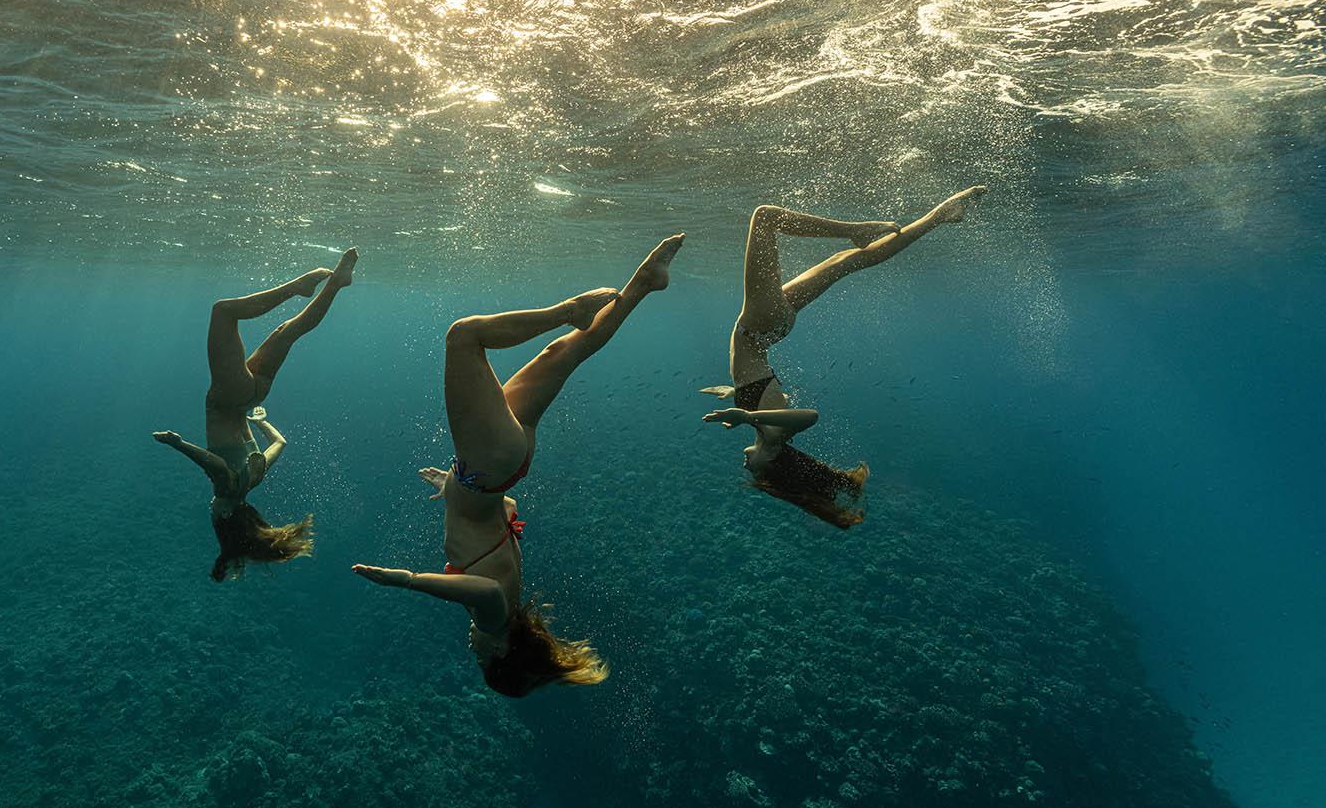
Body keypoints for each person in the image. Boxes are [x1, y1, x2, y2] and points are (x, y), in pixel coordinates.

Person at [352, 234, 686, 696]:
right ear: (503, 655)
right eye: (482, 659)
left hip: (505, 467)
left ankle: (644, 283)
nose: (473, 650)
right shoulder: (495, 617)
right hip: (487, 464)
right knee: (464, 337)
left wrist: (451, 486)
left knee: (564, 354)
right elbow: (481, 592)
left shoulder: (513, 600)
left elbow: (505, 511)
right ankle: (568, 310)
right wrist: (405, 581)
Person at [702, 186, 985, 527]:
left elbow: (771, 391)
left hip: (768, 330)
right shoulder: (773, 434)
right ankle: (854, 229)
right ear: (774, 468)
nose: (746, 466)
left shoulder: (765, 430)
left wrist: (737, 396)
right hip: (760, 325)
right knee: (765, 218)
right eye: (758, 474)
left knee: (849, 261)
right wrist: (747, 416)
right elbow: (810, 416)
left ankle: (941, 215)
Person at [153, 249, 357, 580]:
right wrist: (176, 444)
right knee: (223, 312)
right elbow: (215, 464)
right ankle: (296, 287)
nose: (211, 509)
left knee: (288, 331)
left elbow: (280, 441)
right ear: (223, 516)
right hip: (228, 396)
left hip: (254, 395)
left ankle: (336, 283)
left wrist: (260, 421)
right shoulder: (225, 488)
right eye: (214, 515)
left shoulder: (253, 478)